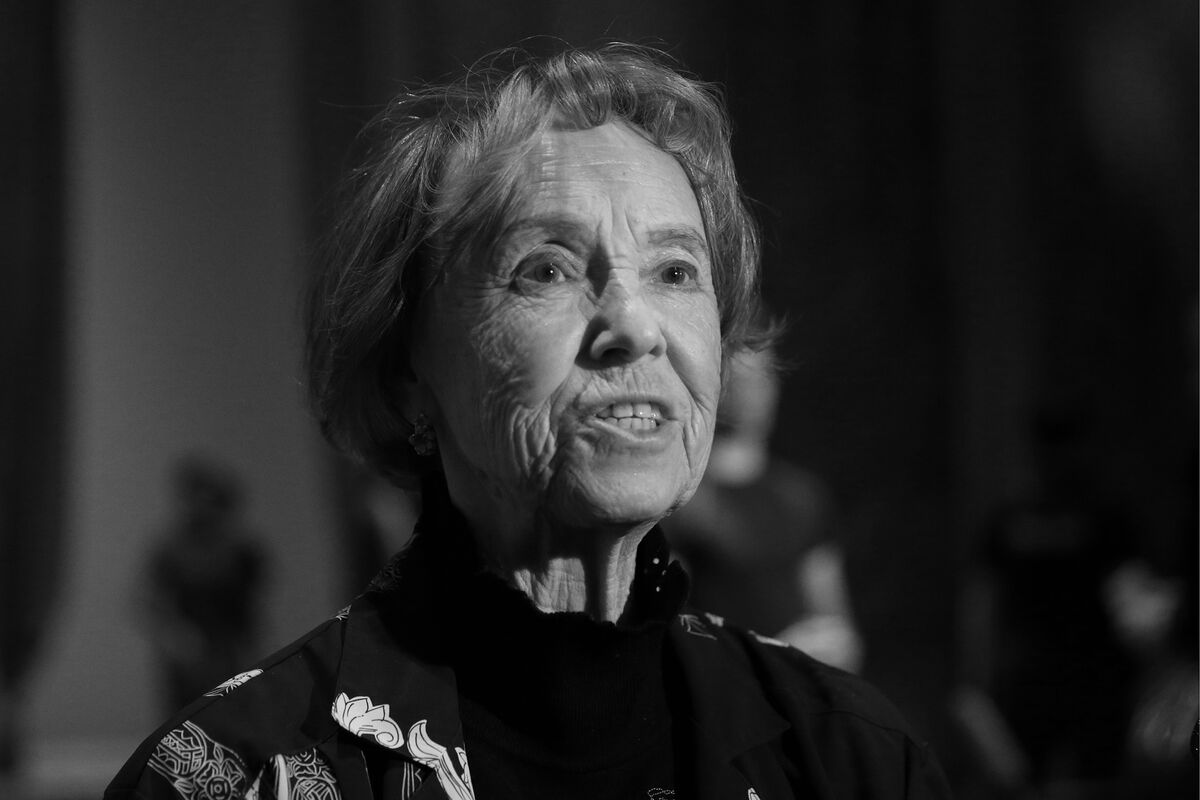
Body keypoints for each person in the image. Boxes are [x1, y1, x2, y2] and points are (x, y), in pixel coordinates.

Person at [106, 45, 950, 800]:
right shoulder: (232, 776)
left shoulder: (854, 760)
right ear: (406, 374)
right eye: (546, 269)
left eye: (675, 271)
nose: (636, 326)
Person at [668, 347, 863, 673]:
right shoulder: (681, 501)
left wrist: (829, 649)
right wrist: (772, 654)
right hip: (725, 689)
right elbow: (670, 630)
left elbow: (836, 622)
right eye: (738, 375)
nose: (751, 388)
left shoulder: (802, 496)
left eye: (763, 374)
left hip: (799, 687)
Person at [138, 453, 267, 715]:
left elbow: (251, 605)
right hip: (188, 655)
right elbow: (150, 599)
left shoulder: (242, 552)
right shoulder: (172, 551)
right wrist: (176, 635)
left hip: (230, 651)